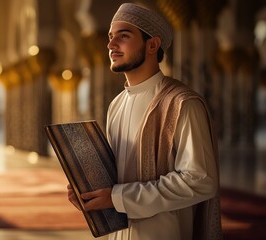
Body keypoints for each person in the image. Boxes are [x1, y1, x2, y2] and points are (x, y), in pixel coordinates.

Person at [67, 3, 222, 240]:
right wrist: (89, 193)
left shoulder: (182, 104)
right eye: (110, 37)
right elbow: (115, 180)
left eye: (123, 36)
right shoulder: (116, 105)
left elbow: (200, 181)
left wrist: (118, 198)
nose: (110, 45)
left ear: (152, 45)